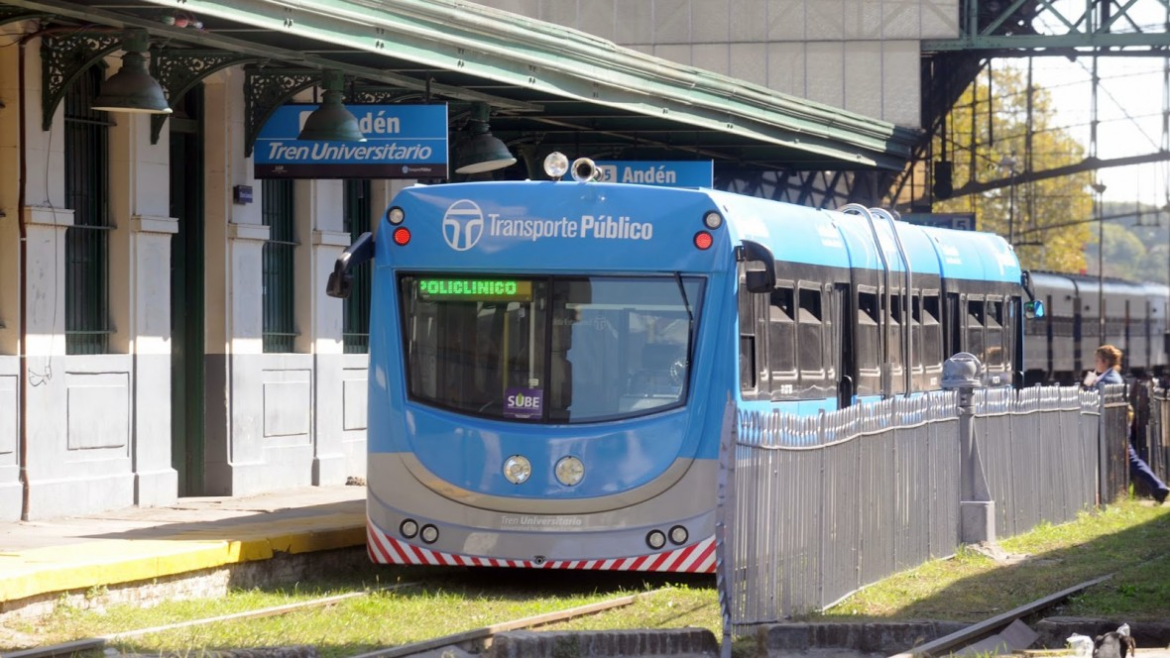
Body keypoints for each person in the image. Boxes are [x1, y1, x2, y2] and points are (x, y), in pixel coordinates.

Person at [1086, 345, 1169, 505]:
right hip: (1116, 425)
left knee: (1131, 460)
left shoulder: (1109, 379)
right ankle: (1158, 488)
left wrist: (1089, 385)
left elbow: (1095, 399)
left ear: (1105, 361)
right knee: (1131, 459)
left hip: (1114, 427)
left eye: (1097, 360)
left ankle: (1157, 487)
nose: (1095, 364)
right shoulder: (1109, 376)